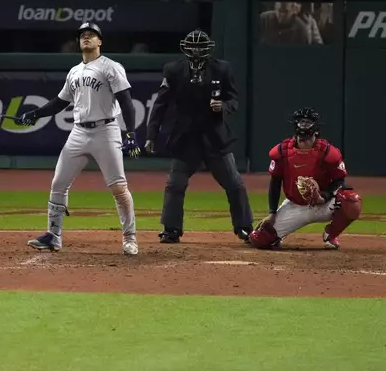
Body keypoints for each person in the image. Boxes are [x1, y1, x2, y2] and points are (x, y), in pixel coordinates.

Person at [15, 22, 141, 255]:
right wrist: (35, 114)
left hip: (106, 131)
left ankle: (130, 238)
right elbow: (60, 102)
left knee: (118, 188)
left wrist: (130, 133)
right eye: (83, 35)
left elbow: (126, 101)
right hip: (78, 132)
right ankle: (53, 236)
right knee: (58, 183)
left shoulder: (111, 67)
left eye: (91, 35)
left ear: (100, 41)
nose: (86, 38)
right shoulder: (74, 71)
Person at [145, 29, 254, 244]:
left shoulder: (222, 68)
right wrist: (151, 135)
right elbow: (160, 104)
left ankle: (244, 227)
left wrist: (222, 106)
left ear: (207, 48)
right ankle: (171, 229)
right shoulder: (174, 70)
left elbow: (234, 99)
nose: (196, 50)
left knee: (235, 184)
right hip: (185, 139)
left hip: (215, 137)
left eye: (200, 46)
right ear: (186, 47)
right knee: (175, 185)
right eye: (192, 46)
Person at [248, 107, 362, 250]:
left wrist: (324, 197)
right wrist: (272, 213)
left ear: (315, 130)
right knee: (259, 240)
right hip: (295, 205)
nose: (303, 141)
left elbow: (340, 180)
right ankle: (279, 234)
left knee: (352, 201)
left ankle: (331, 234)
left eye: (307, 124)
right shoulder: (282, 151)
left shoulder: (328, 152)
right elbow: (275, 181)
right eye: (301, 123)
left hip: (323, 204)